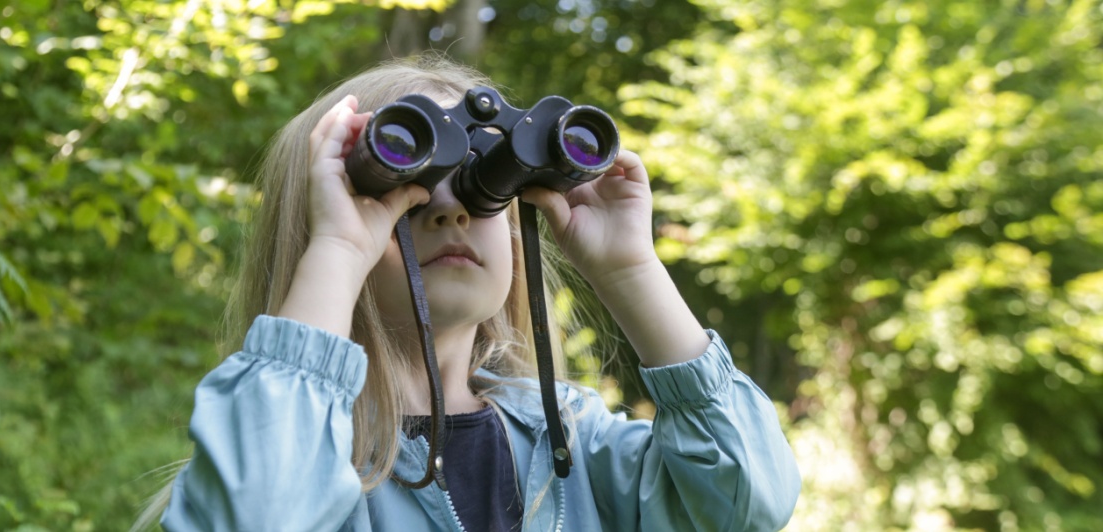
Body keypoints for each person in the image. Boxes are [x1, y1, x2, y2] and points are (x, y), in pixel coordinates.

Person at [141, 54, 801, 532]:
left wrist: (631, 269)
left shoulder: (574, 444)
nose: (450, 208)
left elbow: (745, 504)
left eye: (481, 184)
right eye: (404, 189)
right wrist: (339, 248)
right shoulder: (305, 457)